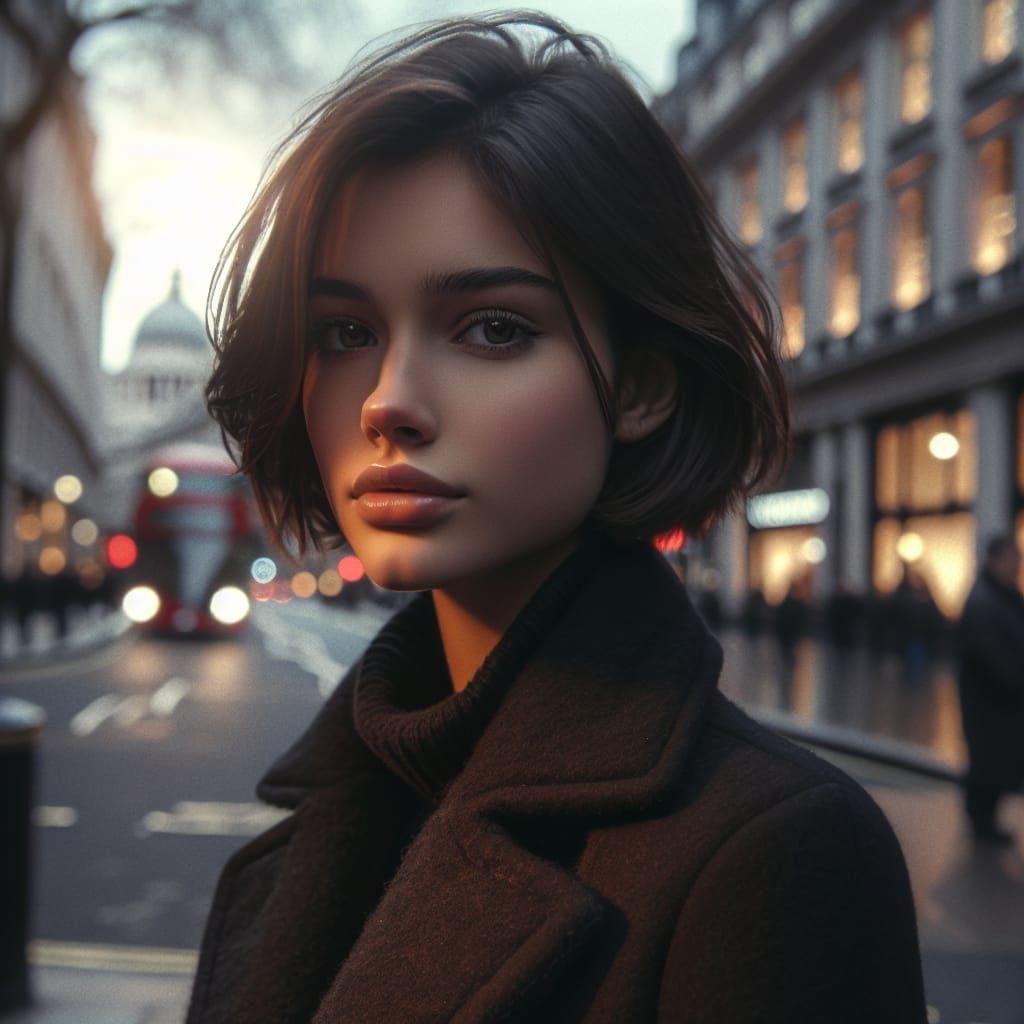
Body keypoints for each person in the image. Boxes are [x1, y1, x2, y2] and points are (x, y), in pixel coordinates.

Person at [187, 15, 926, 1022]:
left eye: (493, 327)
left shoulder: (774, 850)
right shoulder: (344, 799)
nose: (386, 401)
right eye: (346, 332)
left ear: (642, 385)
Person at [957, 536, 1024, 845]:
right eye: (1013, 560)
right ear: (995, 560)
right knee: (987, 763)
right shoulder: (985, 601)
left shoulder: (1002, 596)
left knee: (994, 761)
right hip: (990, 703)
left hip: (998, 703)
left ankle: (985, 822)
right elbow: (990, 655)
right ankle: (982, 824)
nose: (1017, 567)